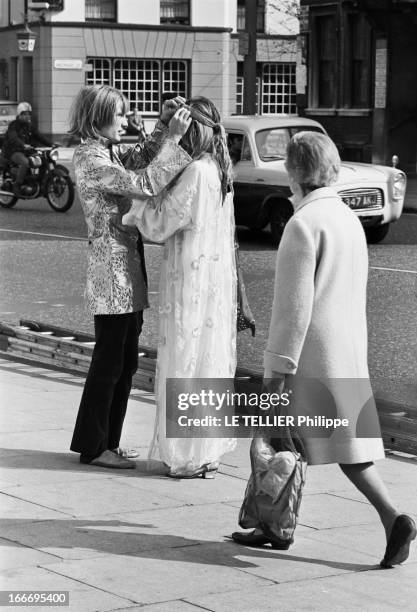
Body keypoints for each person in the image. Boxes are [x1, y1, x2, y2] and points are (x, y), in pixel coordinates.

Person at [232, 131, 416, 568]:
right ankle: (273, 525)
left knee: (288, 443)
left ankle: (392, 518)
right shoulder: (348, 218)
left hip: (310, 354)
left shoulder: (302, 223)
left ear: (294, 172)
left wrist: (276, 367)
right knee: (334, 446)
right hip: (346, 347)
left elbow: (292, 310)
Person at [68, 84, 192, 469]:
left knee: (124, 361)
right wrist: (173, 140)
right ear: (99, 117)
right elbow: (143, 183)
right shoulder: (91, 159)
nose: (124, 120)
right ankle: (94, 445)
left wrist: (163, 125)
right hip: (111, 275)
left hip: (127, 271)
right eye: (118, 114)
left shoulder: (105, 151)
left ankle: (108, 440)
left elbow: (139, 159)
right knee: (109, 362)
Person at [123, 96, 237, 478]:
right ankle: (207, 448)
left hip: (189, 276)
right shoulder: (221, 170)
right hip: (214, 281)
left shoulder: (195, 172)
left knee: (186, 357)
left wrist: (137, 205)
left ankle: (186, 455)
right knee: (209, 359)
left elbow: (161, 222)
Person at [1, 102, 54, 196]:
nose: (27, 116)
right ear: (19, 115)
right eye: (24, 114)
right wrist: (23, 145)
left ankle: (39, 183)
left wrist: (51, 144)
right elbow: (14, 138)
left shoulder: (30, 126)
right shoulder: (13, 125)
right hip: (13, 151)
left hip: (26, 150)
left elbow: (39, 136)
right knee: (25, 162)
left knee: (43, 159)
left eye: (29, 114)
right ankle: (17, 185)